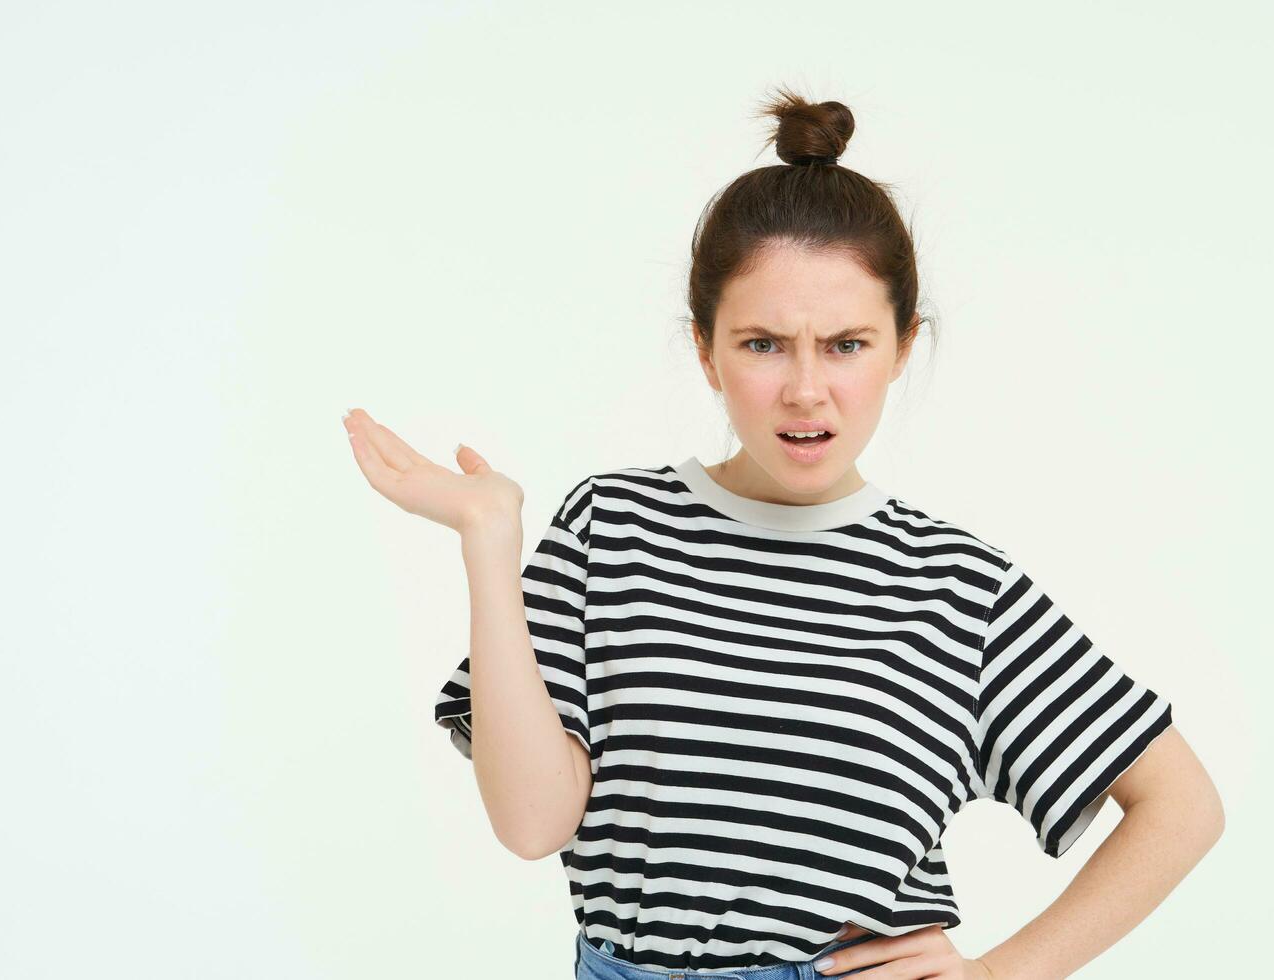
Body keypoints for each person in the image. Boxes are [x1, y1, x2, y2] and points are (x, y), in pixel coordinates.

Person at [344, 86, 1224, 980]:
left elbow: (1181, 805)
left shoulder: (959, 589)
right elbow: (533, 824)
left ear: (902, 345)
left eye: (847, 344)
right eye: (764, 344)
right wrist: (490, 545)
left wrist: (1001, 974)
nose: (807, 389)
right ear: (706, 349)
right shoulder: (612, 530)